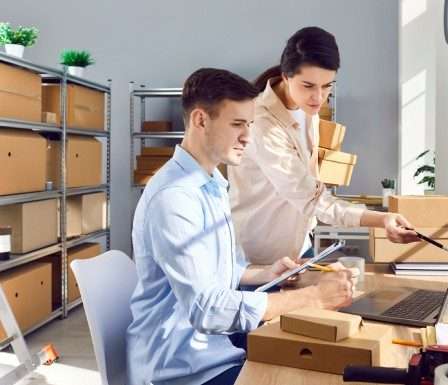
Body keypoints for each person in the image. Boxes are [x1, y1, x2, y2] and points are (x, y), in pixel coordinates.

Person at [126, 68, 356, 385]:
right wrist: (313, 297)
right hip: (183, 370)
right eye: (237, 124)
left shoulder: (212, 184)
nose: (248, 136)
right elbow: (207, 308)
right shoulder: (175, 199)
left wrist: (268, 272)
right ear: (200, 120)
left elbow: (222, 270)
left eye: (249, 124)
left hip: (215, 349)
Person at [228, 26, 420, 264]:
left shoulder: (307, 108)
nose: (319, 97)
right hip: (260, 258)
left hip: (298, 247)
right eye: (308, 86)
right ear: (286, 76)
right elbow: (312, 199)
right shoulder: (262, 124)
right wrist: (381, 220)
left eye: (327, 85)